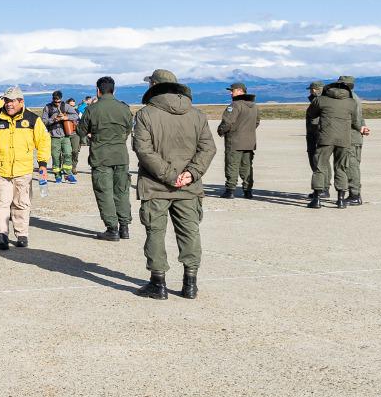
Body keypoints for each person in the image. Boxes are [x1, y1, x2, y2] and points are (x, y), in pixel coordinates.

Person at [132, 69, 216, 300]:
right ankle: (190, 284)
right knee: (190, 232)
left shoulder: (145, 114)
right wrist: (190, 174)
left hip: (155, 185)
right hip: (189, 187)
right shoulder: (197, 114)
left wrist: (170, 176)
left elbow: (143, 150)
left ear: (154, 85)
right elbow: (208, 148)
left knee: (155, 233)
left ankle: (158, 284)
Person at [0, 87, 50, 250]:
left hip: (23, 170)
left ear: (21, 101)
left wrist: (42, 164)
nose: (8, 104)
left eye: (12, 101)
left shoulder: (33, 119)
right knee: (2, 203)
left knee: (21, 203)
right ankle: (2, 235)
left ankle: (22, 234)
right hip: (2, 169)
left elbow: (43, 141)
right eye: (6, 101)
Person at [77, 76, 133, 242]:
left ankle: (112, 229)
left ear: (98, 90)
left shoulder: (92, 109)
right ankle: (124, 227)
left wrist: (93, 135)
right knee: (122, 191)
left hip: (101, 156)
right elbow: (128, 129)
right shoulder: (124, 108)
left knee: (104, 192)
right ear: (114, 90)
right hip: (121, 155)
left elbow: (81, 130)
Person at [307, 79, 365, 209]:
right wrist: (362, 127)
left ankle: (317, 199)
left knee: (320, 166)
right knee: (341, 168)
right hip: (344, 139)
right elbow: (356, 121)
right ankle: (340, 200)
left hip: (325, 138)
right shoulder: (351, 101)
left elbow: (311, 114)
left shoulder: (321, 100)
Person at [217, 81, 260, 199]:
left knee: (232, 164)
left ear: (240, 91)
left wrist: (221, 131)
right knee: (247, 166)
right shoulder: (254, 106)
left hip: (234, 141)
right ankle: (248, 191)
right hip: (249, 142)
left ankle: (230, 190)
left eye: (233, 91)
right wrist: (247, 131)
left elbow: (227, 122)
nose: (231, 93)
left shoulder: (235, 105)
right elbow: (256, 122)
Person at [339, 75, 369, 205]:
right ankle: (353, 193)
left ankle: (355, 195)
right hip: (353, 136)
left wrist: (360, 127)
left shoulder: (351, 98)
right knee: (350, 165)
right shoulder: (352, 97)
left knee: (352, 166)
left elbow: (355, 119)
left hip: (352, 137)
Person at [44, 91, 79, 183]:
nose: (57, 103)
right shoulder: (47, 107)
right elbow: (44, 121)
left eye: (59, 101)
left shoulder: (66, 106)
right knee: (55, 156)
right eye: (55, 101)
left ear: (61, 99)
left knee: (68, 154)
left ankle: (68, 174)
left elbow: (76, 116)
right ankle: (57, 175)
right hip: (54, 136)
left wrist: (65, 117)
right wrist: (54, 119)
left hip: (65, 136)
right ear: (52, 99)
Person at [304, 81, 323, 198]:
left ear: (315, 89)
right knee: (316, 162)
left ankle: (322, 188)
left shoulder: (319, 101)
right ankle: (322, 188)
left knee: (318, 162)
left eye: (311, 89)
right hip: (313, 135)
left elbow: (315, 119)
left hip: (316, 135)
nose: (311, 91)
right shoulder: (316, 100)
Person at [66, 98, 84, 172]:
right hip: (66, 134)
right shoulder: (64, 112)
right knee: (66, 152)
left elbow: (83, 122)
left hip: (75, 133)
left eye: (73, 106)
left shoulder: (78, 112)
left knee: (75, 151)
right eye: (70, 106)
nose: (72, 107)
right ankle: (67, 166)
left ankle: (74, 166)